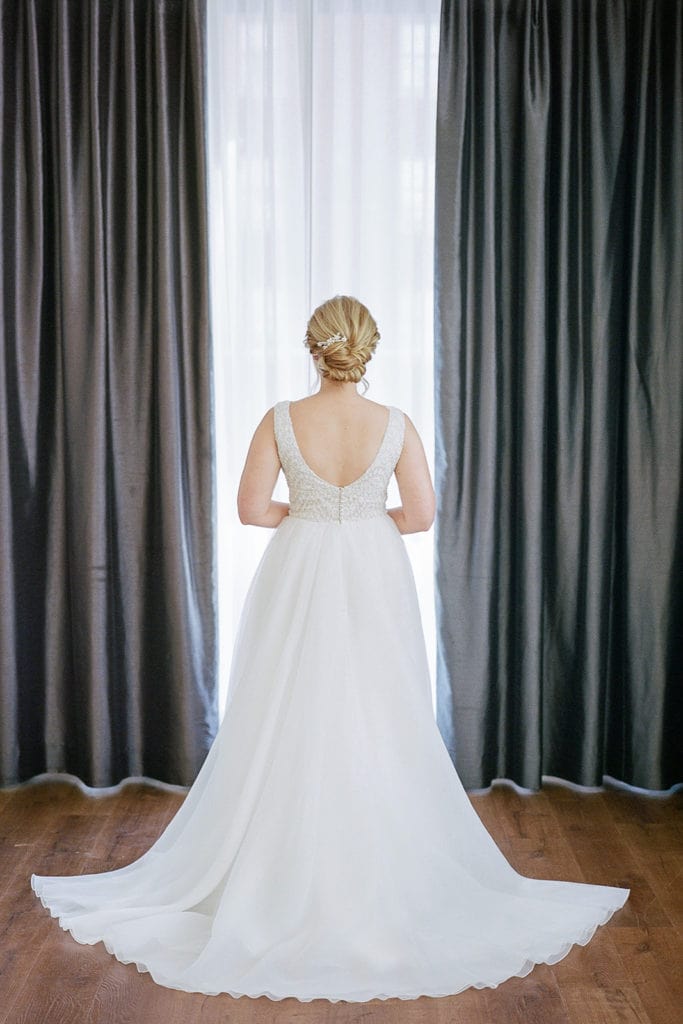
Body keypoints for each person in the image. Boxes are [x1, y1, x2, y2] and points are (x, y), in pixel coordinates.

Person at [31, 295, 629, 1003]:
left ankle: (279, 871)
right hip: (373, 565)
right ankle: (374, 867)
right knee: (377, 712)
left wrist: (312, 513)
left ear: (311, 349)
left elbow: (251, 509)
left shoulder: (281, 420)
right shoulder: (394, 424)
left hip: (300, 564)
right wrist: (363, 517)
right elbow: (423, 514)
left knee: (289, 708)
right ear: (366, 350)